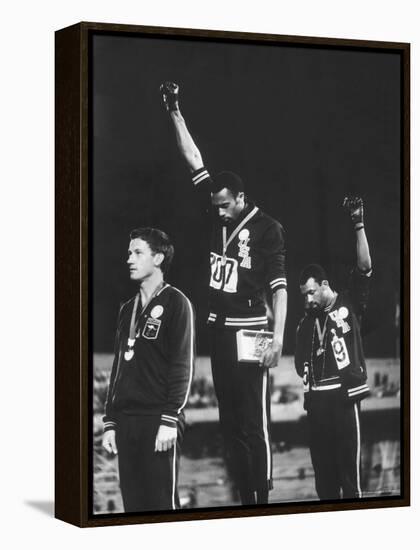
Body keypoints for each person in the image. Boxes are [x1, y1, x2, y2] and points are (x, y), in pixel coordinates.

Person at [160, 82, 287, 505]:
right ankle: (242, 497)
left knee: (256, 421)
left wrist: (280, 338)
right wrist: (174, 111)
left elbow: (279, 288)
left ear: (242, 200)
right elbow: (193, 158)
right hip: (218, 329)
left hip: (254, 331)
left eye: (224, 205)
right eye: (214, 205)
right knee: (228, 419)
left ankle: (262, 499)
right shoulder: (215, 208)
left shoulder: (269, 229)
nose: (216, 211)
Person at [102, 227, 195, 513]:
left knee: (161, 507)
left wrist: (169, 419)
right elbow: (118, 367)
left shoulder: (177, 303)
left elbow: (183, 366)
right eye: (129, 253)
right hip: (127, 423)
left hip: (159, 421)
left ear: (158, 258)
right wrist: (110, 422)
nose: (129, 259)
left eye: (137, 253)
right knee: (133, 508)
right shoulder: (126, 309)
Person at [295, 197, 372, 500]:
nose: (308, 300)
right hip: (316, 405)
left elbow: (365, 266)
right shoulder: (305, 323)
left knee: (349, 482)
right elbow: (300, 363)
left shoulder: (349, 301)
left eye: (312, 293)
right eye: (304, 295)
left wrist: (358, 223)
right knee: (324, 485)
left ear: (325, 285)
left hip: (344, 400)